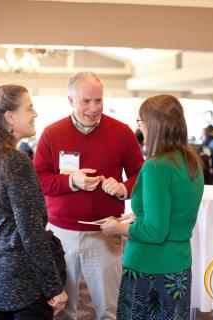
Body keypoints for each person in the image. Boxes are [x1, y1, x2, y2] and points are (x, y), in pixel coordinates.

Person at [33, 72, 144, 320]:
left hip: (105, 232)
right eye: (86, 101)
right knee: (62, 309)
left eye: (98, 100)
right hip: (60, 234)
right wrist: (71, 181)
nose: (93, 108)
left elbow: (141, 174)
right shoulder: (52, 133)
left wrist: (124, 187)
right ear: (71, 100)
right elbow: (38, 178)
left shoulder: (122, 132)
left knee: (110, 310)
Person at [0, 85, 67, 319]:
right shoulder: (15, 161)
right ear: (9, 117)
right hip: (21, 283)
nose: (35, 113)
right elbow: (31, 232)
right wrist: (54, 287)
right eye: (29, 108)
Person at [101, 94, 204, 319]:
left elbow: (155, 232)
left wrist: (117, 229)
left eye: (140, 122)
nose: (140, 129)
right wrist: (137, 215)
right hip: (179, 264)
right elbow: (174, 211)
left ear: (153, 125)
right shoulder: (191, 162)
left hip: (149, 267)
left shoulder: (156, 167)